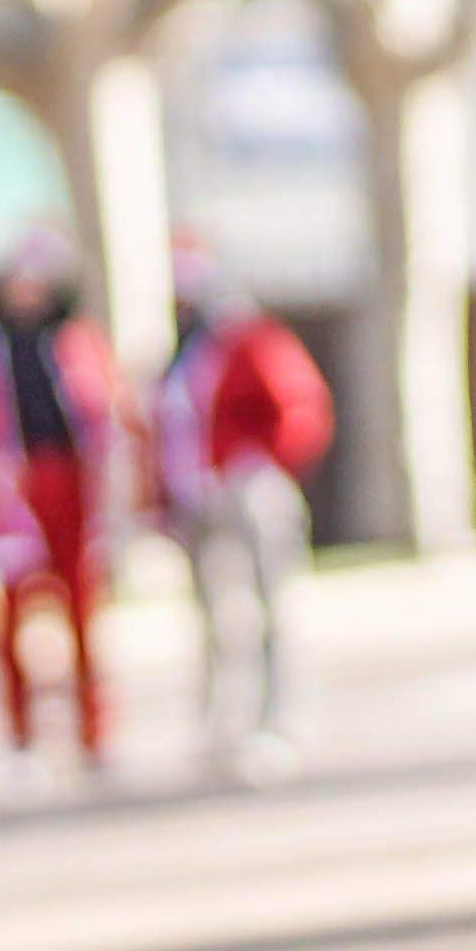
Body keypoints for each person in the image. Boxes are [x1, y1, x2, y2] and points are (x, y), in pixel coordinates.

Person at [154, 240, 332, 778]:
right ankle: (222, 725)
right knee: (213, 619)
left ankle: (280, 722)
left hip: (248, 492)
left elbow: (299, 409)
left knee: (270, 611)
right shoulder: (183, 352)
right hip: (198, 498)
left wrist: (263, 467)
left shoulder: (252, 340)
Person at [0, 233, 121, 774]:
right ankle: (20, 739)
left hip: (71, 487)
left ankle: (96, 734)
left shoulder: (77, 343)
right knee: (10, 620)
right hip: (12, 494)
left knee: (84, 614)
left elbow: (108, 417)